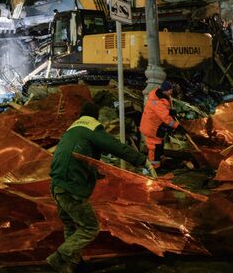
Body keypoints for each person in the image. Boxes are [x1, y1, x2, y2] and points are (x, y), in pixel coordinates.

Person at [47, 102, 157, 273]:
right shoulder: (91, 130)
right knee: (89, 227)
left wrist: (96, 174)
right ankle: (61, 255)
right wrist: (142, 160)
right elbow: (116, 147)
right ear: (95, 117)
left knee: (71, 226)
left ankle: (72, 265)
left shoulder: (72, 131)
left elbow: (78, 157)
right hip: (72, 187)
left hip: (57, 186)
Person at [139, 81, 185, 166]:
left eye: (171, 90)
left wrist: (169, 111)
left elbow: (163, 111)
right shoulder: (158, 102)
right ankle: (153, 168)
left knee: (158, 145)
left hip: (152, 126)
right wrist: (177, 126)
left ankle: (158, 162)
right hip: (152, 128)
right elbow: (166, 118)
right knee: (155, 147)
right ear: (164, 90)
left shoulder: (159, 97)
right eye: (169, 90)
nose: (170, 92)